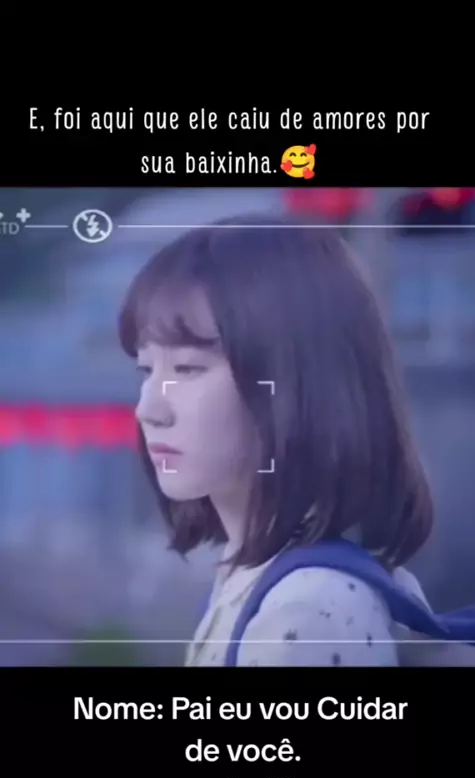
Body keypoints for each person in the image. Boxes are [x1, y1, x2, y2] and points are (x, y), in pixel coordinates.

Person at [118, 211, 437, 667]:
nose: (148, 409)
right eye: (146, 370)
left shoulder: (307, 609)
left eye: (187, 368)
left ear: (289, 384)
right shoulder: (256, 576)